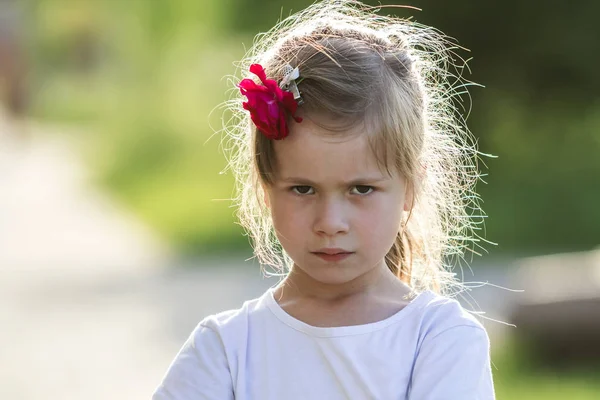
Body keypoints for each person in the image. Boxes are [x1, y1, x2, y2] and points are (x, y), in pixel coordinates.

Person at [153, 1, 496, 398]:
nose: (330, 222)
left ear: (410, 188)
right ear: (266, 189)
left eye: (361, 189)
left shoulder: (440, 341)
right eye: (303, 189)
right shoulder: (225, 351)